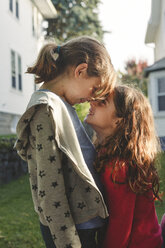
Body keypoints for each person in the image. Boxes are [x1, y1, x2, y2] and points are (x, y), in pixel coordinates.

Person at [14, 36, 117, 248]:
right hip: (73, 234)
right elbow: (50, 189)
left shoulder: (62, 103)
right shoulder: (45, 109)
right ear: (80, 71)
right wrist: (68, 244)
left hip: (87, 226)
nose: (91, 98)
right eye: (93, 88)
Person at [85, 84, 163, 248]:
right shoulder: (106, 154)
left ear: (119, 120)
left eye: (103, 102)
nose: (92, 102)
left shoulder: (118, 167)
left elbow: (120, 226)